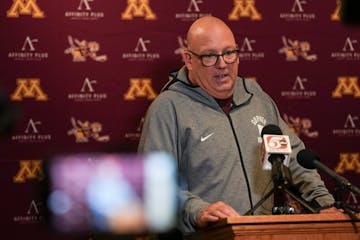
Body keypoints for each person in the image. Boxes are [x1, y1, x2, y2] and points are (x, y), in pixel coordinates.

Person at [138, 16, 336, 236]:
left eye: (229, 53)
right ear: (188, 59)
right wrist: (198, 210)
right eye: (210, 56)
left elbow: (294, 157)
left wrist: (325, 204)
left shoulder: (257, 98)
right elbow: (154, 186)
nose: (222, 64)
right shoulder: (168, 108)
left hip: (265, 234)